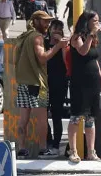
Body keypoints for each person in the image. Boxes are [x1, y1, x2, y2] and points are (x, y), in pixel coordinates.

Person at [14, 10, 67, 158]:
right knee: (41, 119)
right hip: (37, 84)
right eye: (45, 21)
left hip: (23, 82)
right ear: (36, 21)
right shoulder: (37, 37)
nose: (48, 24)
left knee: (23, 119)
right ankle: (43, 149)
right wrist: (58, 46)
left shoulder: (23, 37)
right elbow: (43, 58)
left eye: (49, 21)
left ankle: (22, 149)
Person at [67, 11, 101, 163]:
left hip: (93, 81)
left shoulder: (93, 38)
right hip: (80, 82)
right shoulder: (77, 38)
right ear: (87, 22)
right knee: (76, 116)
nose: (97, 23)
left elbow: (94, 59)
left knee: (91, 118)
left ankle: (91, 151)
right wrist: (90, 35)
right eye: (95, 20)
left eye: (98, 20)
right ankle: (73, 150)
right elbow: (83, 52)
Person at [45, 19, 69, 155]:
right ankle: (48, 140)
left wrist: (62, 45)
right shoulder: (44, 43)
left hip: (59, 82)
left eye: (59, 30)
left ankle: (56, 144)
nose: (56, 32)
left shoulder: (64, 45)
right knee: (43, 113)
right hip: (44, 82)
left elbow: (67, 62)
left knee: (56, 114)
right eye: (54, 29)